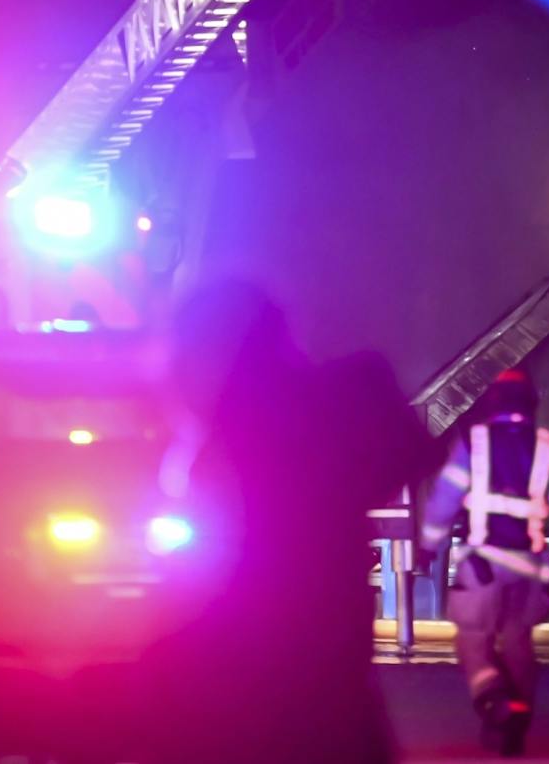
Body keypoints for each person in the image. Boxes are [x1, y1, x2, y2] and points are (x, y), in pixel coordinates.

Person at [148, 281, 435, 764]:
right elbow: (409, 455)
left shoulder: (238, 433)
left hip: (255, 670)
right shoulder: (324, 412)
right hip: (326, 658)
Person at [417, 368, 549, 758]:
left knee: (473, 640)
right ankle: (519, 717)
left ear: (491, 403)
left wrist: (427, 545)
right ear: (531, 403)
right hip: (531, 568)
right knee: (518, 641)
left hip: (483, 565)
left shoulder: (474, 443)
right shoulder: (546, 448)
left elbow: (444, 500)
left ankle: (495, 700)